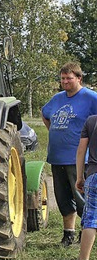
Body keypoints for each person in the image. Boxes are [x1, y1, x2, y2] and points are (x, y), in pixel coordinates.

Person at [42, 62, 97, 246]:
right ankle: (69, 234)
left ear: (79, 78)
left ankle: (86, 233)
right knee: (63, 198)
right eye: (63, 78)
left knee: (81, 197)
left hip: (78, 158)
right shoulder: (57, 98)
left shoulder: (90, 98)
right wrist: (54, 131)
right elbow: (45, 114)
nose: (65, 81)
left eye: (69, 78)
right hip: (57, 157)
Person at [69, 114, 97, 260]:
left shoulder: (92, 121)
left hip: (95, 176)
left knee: (92, 218)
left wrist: (80, 177)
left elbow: (81, 151)